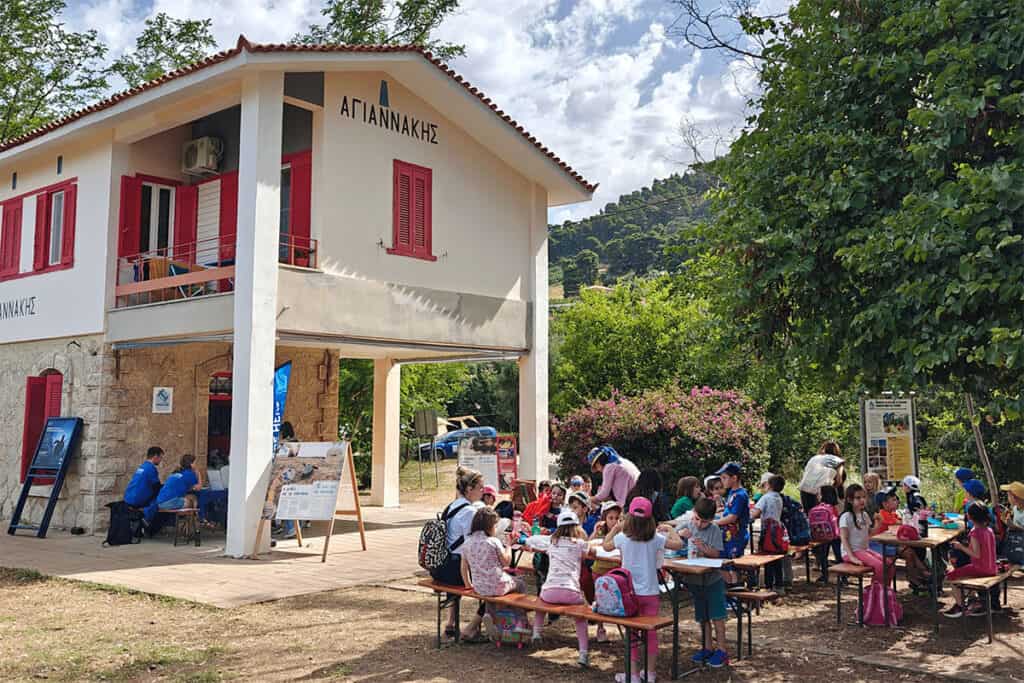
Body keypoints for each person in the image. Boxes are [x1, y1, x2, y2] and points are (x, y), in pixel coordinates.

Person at [603, 497, 684, 683]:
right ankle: (651, 673)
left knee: (631, 634)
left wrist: (615, 528)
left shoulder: (623, 538)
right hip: (650, 592)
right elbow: (678, 544)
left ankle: (632, 675)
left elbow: (606, 546)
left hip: (629, 593)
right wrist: (671, 529)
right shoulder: (655, 538)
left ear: (629, 517)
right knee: (651, 633)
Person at [430, 467, 485, 640]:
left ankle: (450, 623)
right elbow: (476, 542)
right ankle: (471, 628)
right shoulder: (470, 511)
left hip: (442, 567)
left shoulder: (452, 506)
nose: (482, 491)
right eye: (480, 488)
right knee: (493, 586)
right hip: (456, 570)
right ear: (470, 489)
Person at [531, 509, 592, 666]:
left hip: (549, 592)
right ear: (577, 528)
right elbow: (592, 550)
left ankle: (536, 631)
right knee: (580, 617)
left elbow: (534, 541)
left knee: (540, 601)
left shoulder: (552, 542)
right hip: (571, 592)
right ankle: (583, 653)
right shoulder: (579, 544)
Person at [680, 497, 730, 669]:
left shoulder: (714, 529)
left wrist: (703, 548)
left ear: (711, 519)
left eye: (704, 521)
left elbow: (717, 554)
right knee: (703, 616)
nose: (700, 524)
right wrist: (680, 535)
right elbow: (675, 536)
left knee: (717, 615)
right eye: (697, 519)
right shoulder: (690, 523)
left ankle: (722, 650)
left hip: (712, 579)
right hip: (694, 578)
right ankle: (707, 646)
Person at [943, 502, 998, 618]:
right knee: (962, 571)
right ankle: (971, 601)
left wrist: (960, 547)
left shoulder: (975, 532)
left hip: (980, 568)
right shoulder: (989, 530)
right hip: (992, 568)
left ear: (970, 516)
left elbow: (976, 554)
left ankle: (960, 606)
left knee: (951, 576)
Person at [461, 506, 525, 603]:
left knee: (493, 592)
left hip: (479, 587)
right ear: (489, 526)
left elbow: (463, 567)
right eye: (495, 526)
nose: (496, 529)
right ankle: (515, 615)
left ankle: (489, 612)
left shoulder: (467, 542)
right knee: (520, 583)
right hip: (498, 586)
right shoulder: (493, 541)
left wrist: (468, 585)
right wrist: (508, 545)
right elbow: (506, 563)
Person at [871, 489, 930, 592]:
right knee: (908, 552)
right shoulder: (882, 514)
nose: (897, 502)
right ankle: (918, 576)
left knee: (910, 551)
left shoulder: (893, 514)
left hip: (892, 543)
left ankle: (919, 575)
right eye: (893, 500)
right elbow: (899, 524)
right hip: (881, 544)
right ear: (884, 504)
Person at [839, 484, 889, 585]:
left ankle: (885, 593)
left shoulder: (864, 514)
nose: (862, 500)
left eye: (864, 497)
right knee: (879, 566)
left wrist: (879, 523)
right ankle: (874, 594)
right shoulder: (846, 516)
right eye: (858, 498)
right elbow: (843, 538)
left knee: (889, 563)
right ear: (849, 500)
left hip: (864, 550)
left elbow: (870, 533)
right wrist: (852, 557)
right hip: (852, 552)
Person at [589, 500, 622, 643]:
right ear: (604, 519)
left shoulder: (622, 533)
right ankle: (600, 628)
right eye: (611, 518)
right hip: (599, 570)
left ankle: (624, 626)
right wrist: (595, 532)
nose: (614, 521)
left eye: (617, 518)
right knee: (599, 600)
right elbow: (588, 544)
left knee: (619, 599)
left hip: (615, 571)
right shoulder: (601, 532)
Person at [751, 474, 786, 590]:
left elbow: (755, 513)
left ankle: (768, 585)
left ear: (769, 485)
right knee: (776, 558)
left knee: (767, 558)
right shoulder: (779, 497)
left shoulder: (766, 497)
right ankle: (780, 585)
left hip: (767, 531)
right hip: (778, 530)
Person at [714, 463, 750, 565]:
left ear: (734, 478)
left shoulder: (740, 495)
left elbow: (732, 517)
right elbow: (727, 511)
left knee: (733, 565)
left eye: (724, 478)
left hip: (737, 536)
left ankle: (737, 581)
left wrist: (715, 522)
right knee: (725, 564)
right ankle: (730, 581)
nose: (722, 480)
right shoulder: (732, 492)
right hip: (728, 535)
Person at [151, 454, 202, 523]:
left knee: (191, 497)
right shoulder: (189, 474)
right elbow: (199, 487)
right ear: (191, 464)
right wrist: (198, 473)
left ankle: (190, 523)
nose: (197, 464)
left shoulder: (176, 472)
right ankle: (188, 522)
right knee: (191, 501)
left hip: (159, 501)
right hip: (167, 503)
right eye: (195, 462)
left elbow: (186, 487)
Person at [798, 441, 846, 513]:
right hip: (822, 491)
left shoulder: (814, 458)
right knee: (825, 516)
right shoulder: (838, 461)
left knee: (810, 516)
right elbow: (839, 480)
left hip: (804, 489)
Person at [811, 485, 842, 583]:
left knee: (823, 555)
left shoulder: (818, 507)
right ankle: (843, 577)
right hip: (836, 534)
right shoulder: (837, 506)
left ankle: (825, 576)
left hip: (823, 535)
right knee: (838, 555)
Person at [124, 447, 163, 522]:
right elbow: (157, 487)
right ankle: (145, 520)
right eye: (160, 457)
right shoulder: (151, 468)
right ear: (155, 456)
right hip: (137, 500)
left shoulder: (142, 467)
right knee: (158, 501)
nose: (161, 460)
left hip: (128, 498)